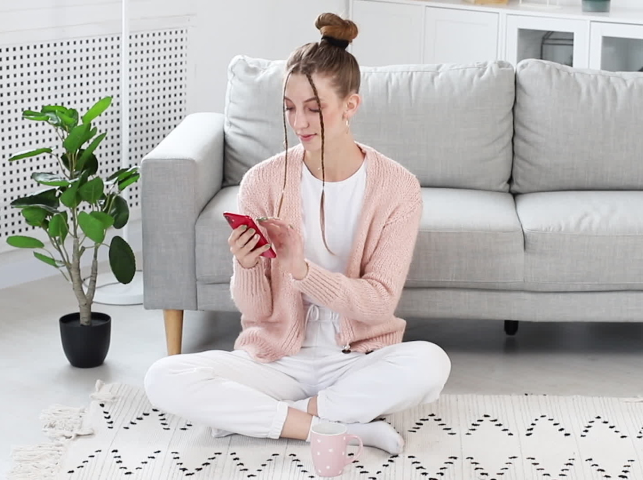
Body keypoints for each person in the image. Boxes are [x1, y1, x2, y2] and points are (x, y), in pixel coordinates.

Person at [144, 12, 451, 455]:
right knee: (163, 376)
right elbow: (256, 310)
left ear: (350, 107)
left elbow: (380, 302)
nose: (300, 122)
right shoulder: (262, 182)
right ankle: (339, 427)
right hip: (276, 359)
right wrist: (247, 267)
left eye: (314, 108)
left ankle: (272, 419)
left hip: (355, 360)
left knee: (430, 364)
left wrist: (302, 271)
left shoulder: (397, 187)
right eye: (290, 108)